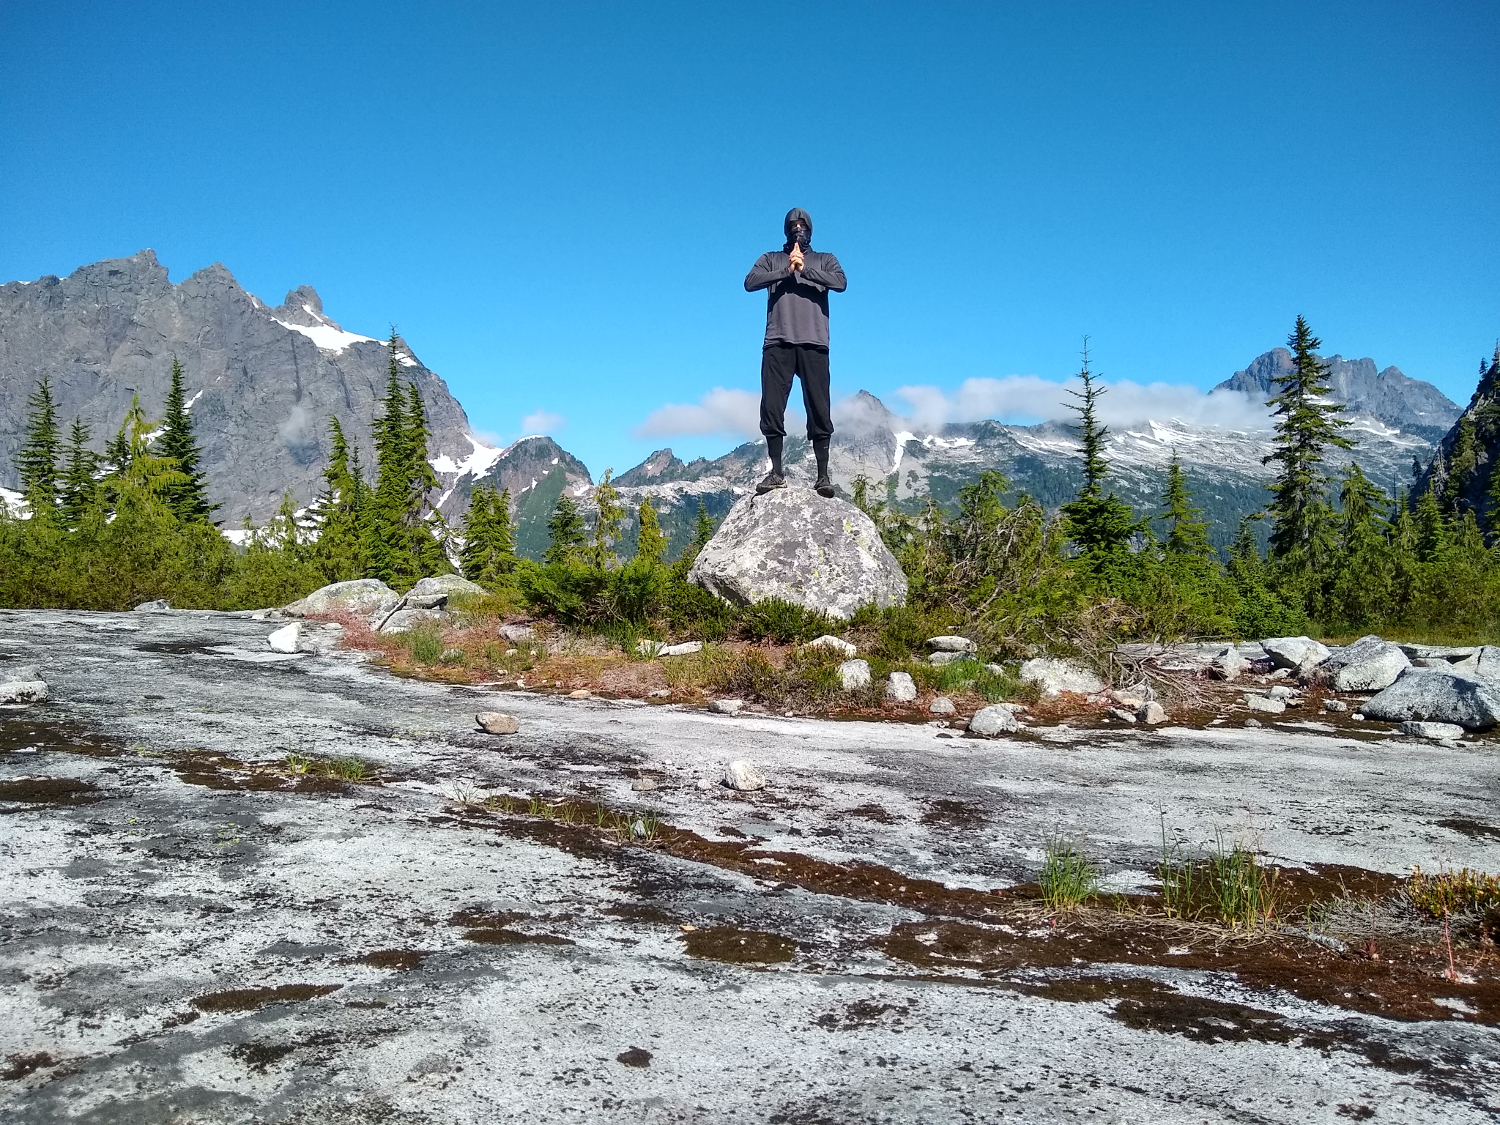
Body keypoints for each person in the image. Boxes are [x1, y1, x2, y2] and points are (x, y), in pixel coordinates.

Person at [744, 208, 846, 497]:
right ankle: (776, 472)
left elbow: (840, 283)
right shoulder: (771, 259)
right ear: (786, 229)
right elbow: (750, 282)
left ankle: (823, 476)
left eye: (803, 225)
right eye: (793, 225)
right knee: (772, 408)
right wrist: (786, 270)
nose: (798, 229)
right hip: (778, 341)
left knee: (819, 408)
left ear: (811, 229)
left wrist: (804, 269)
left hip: (815, 342)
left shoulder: (825, 259)